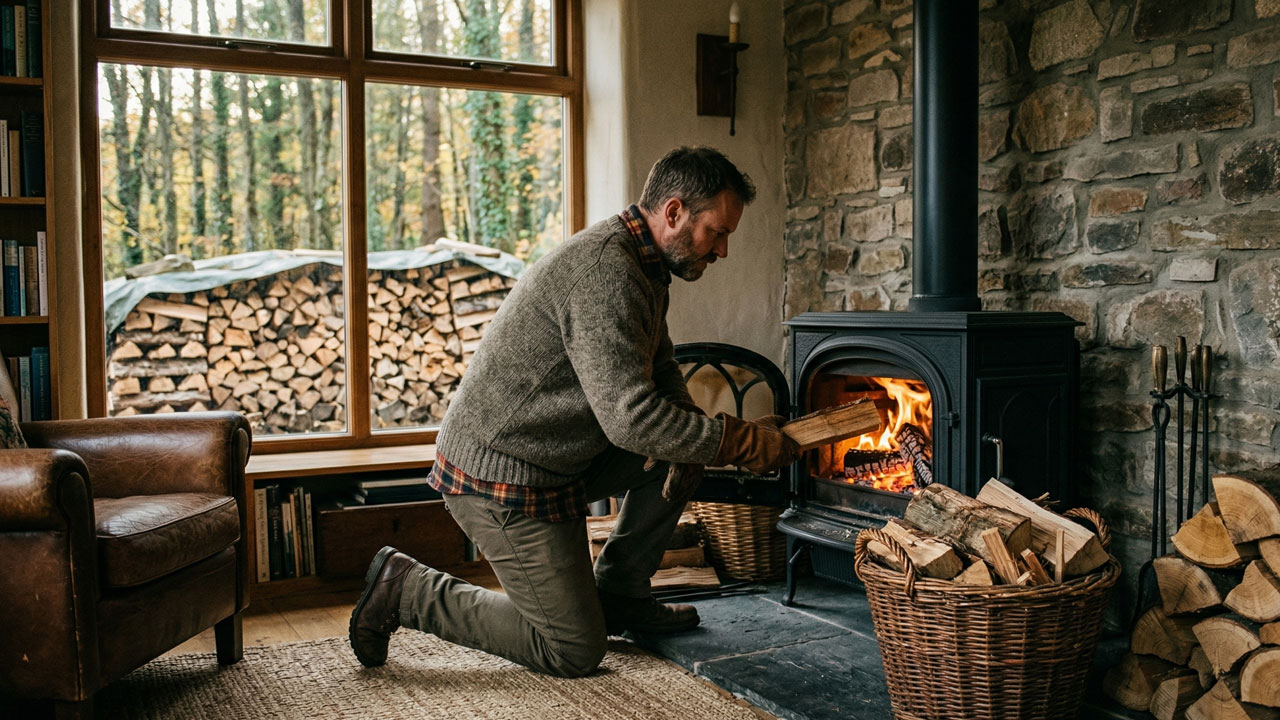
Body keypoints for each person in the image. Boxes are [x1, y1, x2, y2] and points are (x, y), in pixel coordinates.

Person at [348, 146, 799, 678]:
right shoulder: (607, 272)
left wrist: (717, 436)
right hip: (500, 475)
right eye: (717, 232)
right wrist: (736, 443)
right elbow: (630, 419)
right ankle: (406, 589)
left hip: (557, 458)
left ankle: (621, 597)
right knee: (572, 649)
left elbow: (661, 373)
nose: (722, 249)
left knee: (686, 452)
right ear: (673, 212)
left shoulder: (646, 266)